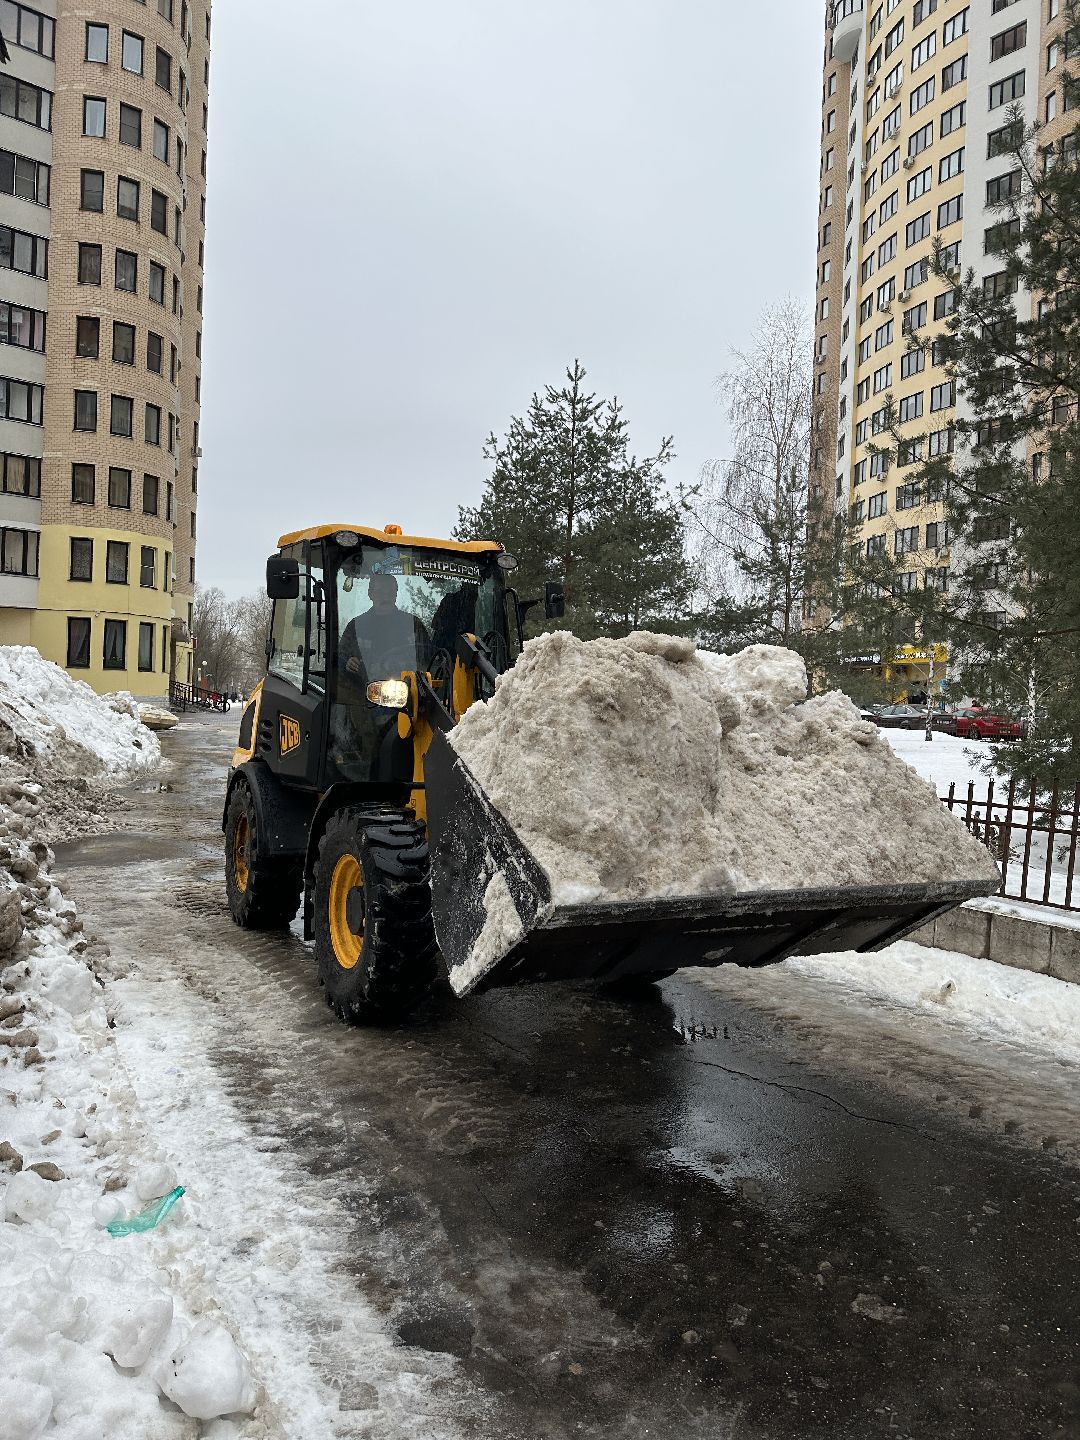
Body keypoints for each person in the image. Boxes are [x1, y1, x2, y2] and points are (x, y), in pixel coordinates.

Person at [340, 573, 431, 683]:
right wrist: (348, 662)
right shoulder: (356, 626)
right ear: (370, 594)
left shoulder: (413, 625)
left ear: (396, 594)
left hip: (409, 690)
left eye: (391, 592)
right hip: (360, 691)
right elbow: (340, 657)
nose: (386, 597)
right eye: (380, 592)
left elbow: (428, 657)